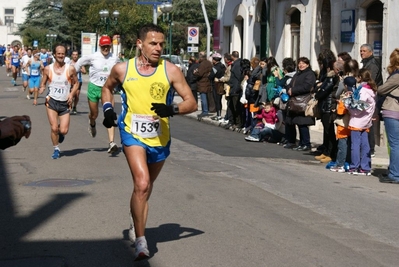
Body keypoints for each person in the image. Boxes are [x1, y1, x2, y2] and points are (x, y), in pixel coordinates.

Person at [100, 23, 197, 261]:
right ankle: (141, 242)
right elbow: (106, 89)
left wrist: (171, 108)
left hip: (159, 137)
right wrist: (108, 109)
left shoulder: (171, 70)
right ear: (140, 44)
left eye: (161, 44)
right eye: (153, 43)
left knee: (145, 188)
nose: (158, 48)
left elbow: (191, 103)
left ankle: (136, 215)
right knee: (142, 183)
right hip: (132, 133)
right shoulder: (123, 69)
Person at [73, 35, 120, 153]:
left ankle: (111, 143)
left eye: (107, 46)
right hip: (94, 87)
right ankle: (92, 122)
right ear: (100, 46)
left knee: (109, 114)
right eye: (103, 46)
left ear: (110, 46)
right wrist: (73, 75)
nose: (105, 48)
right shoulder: (93, 57)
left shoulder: (114, 58)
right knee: (94, 114)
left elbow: (121, 68)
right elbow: (78, 63)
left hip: (107, 89)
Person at [39, 44, 79, 159]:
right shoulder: (48, 69)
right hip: (51, 101)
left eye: (63, 54)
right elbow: (43, 82)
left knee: (64, 130)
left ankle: (61, 134)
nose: (61, 56)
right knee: (54, 127)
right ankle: (56, 148)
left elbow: (76, 83)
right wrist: (42, 88)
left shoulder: (70, 68)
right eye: (59, 54)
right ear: (54, 55)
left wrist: (71, 94)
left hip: (64, 102)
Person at [343, 68, 376, 175]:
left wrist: (347, 104)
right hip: (366, 121)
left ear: (360, 78)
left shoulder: (363, 91)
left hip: (358, 121)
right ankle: (365, 167)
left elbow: (358, 109)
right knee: (365, 144)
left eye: (357, 77)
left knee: (355, 145)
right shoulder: (371, 90)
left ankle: (354, 166)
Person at [376, 48, 399, 184]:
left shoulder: (396, 76)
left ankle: (395, 174)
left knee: (395, 144)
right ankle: (393, 170)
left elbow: (381, 89)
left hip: (393, 110)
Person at [285, 57, 316, 151]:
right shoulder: (297, 74)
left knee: (303, 123)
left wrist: (293, 90)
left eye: (303, 63)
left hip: (303, 102)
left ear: (307, 64)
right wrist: (289, 89)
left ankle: (306, 143)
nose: (301, 65)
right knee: (294, 122)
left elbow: (307, 86)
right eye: (299, 63)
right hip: (294, 101)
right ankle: (296, 142)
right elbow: (289, 84)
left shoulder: (310, 74)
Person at [314, 49, 338, 163]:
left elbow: (326, 87)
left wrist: (318, 93)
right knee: (326, 129)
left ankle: (331, 152)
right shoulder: (324, 72)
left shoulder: (331, 74)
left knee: (329, 130)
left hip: (328, 104)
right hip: (324, 104)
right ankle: (326, 151)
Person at [360, 44, 382, 158]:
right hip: (367, 95)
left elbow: (369, 80)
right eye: (361, 51)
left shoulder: (372, 64)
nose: (362, 53)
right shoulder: (366, 63)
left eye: (364, 51)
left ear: (370, 52)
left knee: (371, 121)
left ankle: (371, 148)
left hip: (372, 96)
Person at [224, 51, 243, 130]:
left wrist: (236, 88)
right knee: (231, 106)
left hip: (235, 89)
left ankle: (238, 123)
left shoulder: (237, 65)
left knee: (236, 107)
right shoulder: (235, 64)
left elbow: (238, 78)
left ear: (232, 56)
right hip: (232, 88)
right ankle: (231, 121)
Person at [193, 53, 213, 118]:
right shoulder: (209, 63)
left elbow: (200, 73)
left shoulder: (202, 64)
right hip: (207, 82)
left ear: (201, 57)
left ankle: (205, 111)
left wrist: (195, 72)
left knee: (203, 98)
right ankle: (206, 110)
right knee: (207, 97)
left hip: (202, 83)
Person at [210, 53, 226, 121]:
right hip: (221, 85)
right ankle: (219, 114)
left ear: (214, 60)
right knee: (219, 100)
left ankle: (218, 115)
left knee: (217, 100)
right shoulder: (223, 66)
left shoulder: (215, 68)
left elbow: (211, 76)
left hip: (216, 85)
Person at [69, 50, 86, 114]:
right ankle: (69, 104)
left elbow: (84, 72)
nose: (75, 56)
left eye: (76, 55)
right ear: (72, 55)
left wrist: (81, 69)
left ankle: (74, 107)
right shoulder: (69, 63)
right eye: (74, 55)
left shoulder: (80, 63)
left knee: (76, 95)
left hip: (78, 81)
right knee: (71, 94)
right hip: (70, 81)